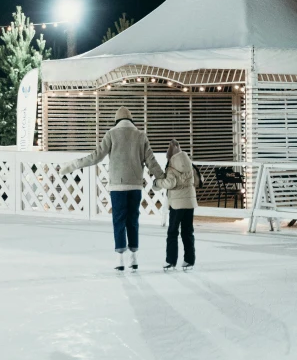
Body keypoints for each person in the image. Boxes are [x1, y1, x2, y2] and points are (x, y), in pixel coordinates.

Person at [60, 106, 164, 271]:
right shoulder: (140, 135)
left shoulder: (111, 134)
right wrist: (162, 178)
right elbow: (151, 161)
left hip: (117, 186)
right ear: (131, 120)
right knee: (133, 220)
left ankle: (120, 259)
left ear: (116, 120)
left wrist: (73, 165)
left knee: (119, 221)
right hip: (135, 185)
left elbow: (95, 157)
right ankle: (134, 257)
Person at [153, 139, 198, 271]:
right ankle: (189, 260)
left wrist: (157, 183)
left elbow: (170, 183)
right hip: (189, 202)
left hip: (177, 204)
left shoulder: (172, 166)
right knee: (187, 231)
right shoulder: (188, 163)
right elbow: (196, 179)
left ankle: (170, 261)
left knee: (172, 232)